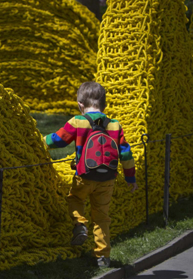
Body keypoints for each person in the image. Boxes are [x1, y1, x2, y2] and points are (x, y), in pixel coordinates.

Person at [44, 81, 137, 268]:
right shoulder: (115, 125)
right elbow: (126, 154)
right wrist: (130, 178)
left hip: (84, 176)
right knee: (102, 217)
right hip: (108, 179)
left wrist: (40, 140)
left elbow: (58, 141)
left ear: (80, 105)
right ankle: (103, 256)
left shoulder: (78, 121)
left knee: (75, 198)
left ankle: (79, 224)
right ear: (104, 105)